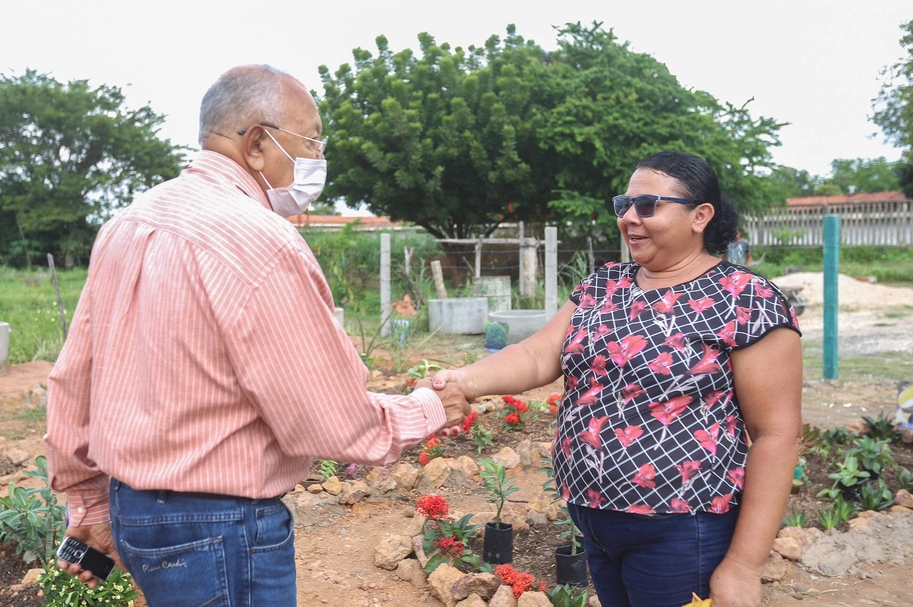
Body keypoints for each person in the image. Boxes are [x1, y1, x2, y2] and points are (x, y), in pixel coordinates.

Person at [45, 65, 469, 606]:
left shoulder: (129, 223)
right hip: (220, 526)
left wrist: (89, 504)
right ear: (257, 144)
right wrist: (429, 407)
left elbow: (74, 379)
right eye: (312, 140)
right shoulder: (262, 242)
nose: (319, 156)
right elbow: (329, 419)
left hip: (136, 512)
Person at [434, 150, 802, 607]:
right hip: (595, 519)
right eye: (624, 205)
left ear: (700, 216)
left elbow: (777, 435)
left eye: (648, 206)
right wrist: (464, 381)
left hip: (683, 529)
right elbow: (535, 354)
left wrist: (745, 567)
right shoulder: (605, 284)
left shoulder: (746, 298)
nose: (630, 217)